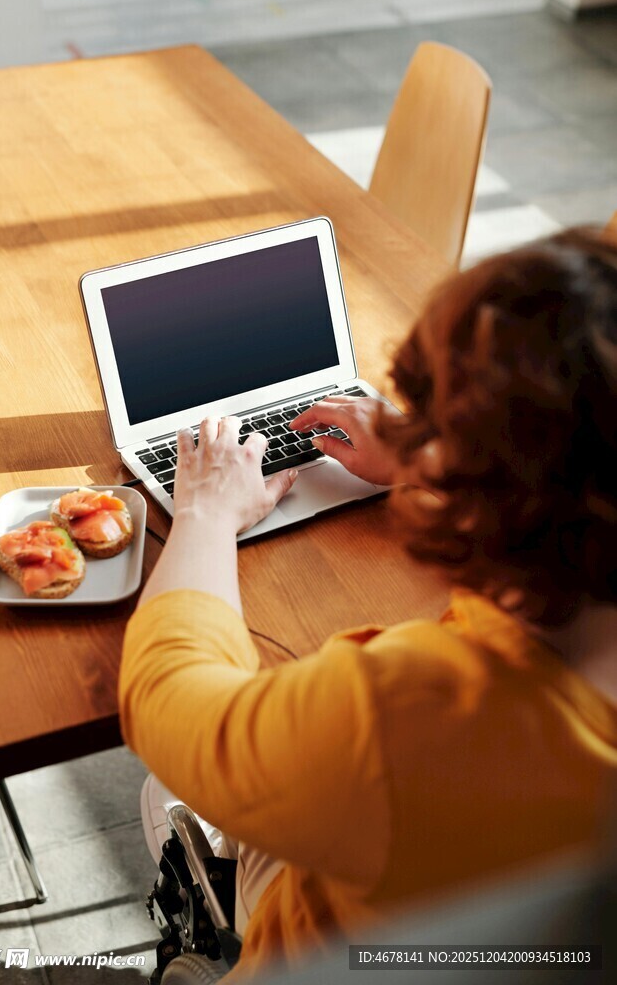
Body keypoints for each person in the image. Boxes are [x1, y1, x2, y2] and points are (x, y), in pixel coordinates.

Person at [119, 229, 617, 978]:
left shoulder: (409, 709)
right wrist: (434, 459)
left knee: (167, 784)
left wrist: (207, 515)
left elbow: (162, 693)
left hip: (342, 946)